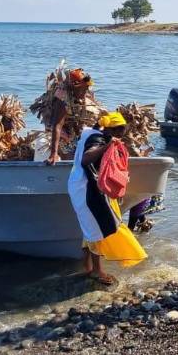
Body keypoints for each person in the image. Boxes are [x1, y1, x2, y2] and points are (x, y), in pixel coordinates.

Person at [67, 111, 147, 286]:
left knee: (89, 228)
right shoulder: (98, 139)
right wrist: (108, 145)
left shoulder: (90, 132)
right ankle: (96, 271)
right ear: (111, 130)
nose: (120, 136)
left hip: (80, 185)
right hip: (85, 189)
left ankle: (88, 267)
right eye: (119, 132)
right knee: (96, 230)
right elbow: (86, 159)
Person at [46, 69, 97, 164]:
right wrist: (54, 153)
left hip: (70, 130)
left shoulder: (77, 95)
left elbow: (75, 117)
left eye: (87, 88)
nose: (86, 91)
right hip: (58, 132)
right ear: (74, 86)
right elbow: (57, 126)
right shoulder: (62, 98)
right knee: (70, 156)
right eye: (84, 89)